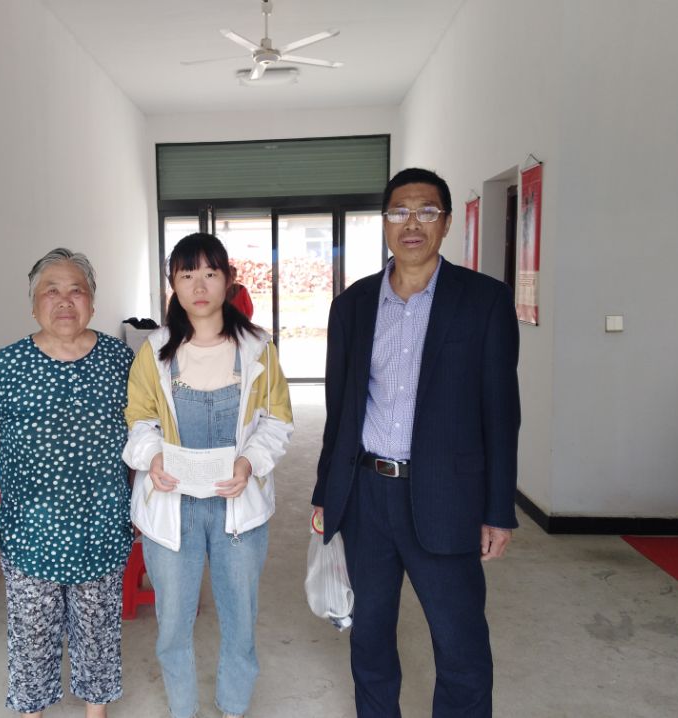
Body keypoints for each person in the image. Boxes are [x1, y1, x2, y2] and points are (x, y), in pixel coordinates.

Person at [312, 168, 520, 717]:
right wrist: (325, 492)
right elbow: (341, 410)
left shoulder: (484, 301)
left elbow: (502, 414)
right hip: (367, 497)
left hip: (447, 497)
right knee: (369, 638)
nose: (412, 223)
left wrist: (498, 511)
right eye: (399, 211)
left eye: (426, 211)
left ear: (446, 223)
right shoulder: (352, 305)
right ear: (384, 222)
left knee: (460, 645)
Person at [123, 233, 293, 718]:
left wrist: (249, 462)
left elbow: (278, 420)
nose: (199, 286)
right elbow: (139, 419)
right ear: (173, 284)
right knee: (173, 623)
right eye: (187, 275)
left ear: (228, 280)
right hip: (171, 503)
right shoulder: (155, 351)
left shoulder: (258, 349)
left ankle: (233, 705)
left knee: (240, 619)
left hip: (237, 506)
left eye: (210, 273)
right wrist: (152, 458)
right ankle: (183, 708)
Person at [0, 248, 134, 718]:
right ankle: (32, 711)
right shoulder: (6, 366)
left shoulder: (120, 361)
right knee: (32, 636)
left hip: (101, 528)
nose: (64, 301)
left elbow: (147, 434)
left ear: (92, 302)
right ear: (33, 303)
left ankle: (95, 712)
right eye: (50, 291)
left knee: (98, 632)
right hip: (29, 533)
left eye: (77, 290)